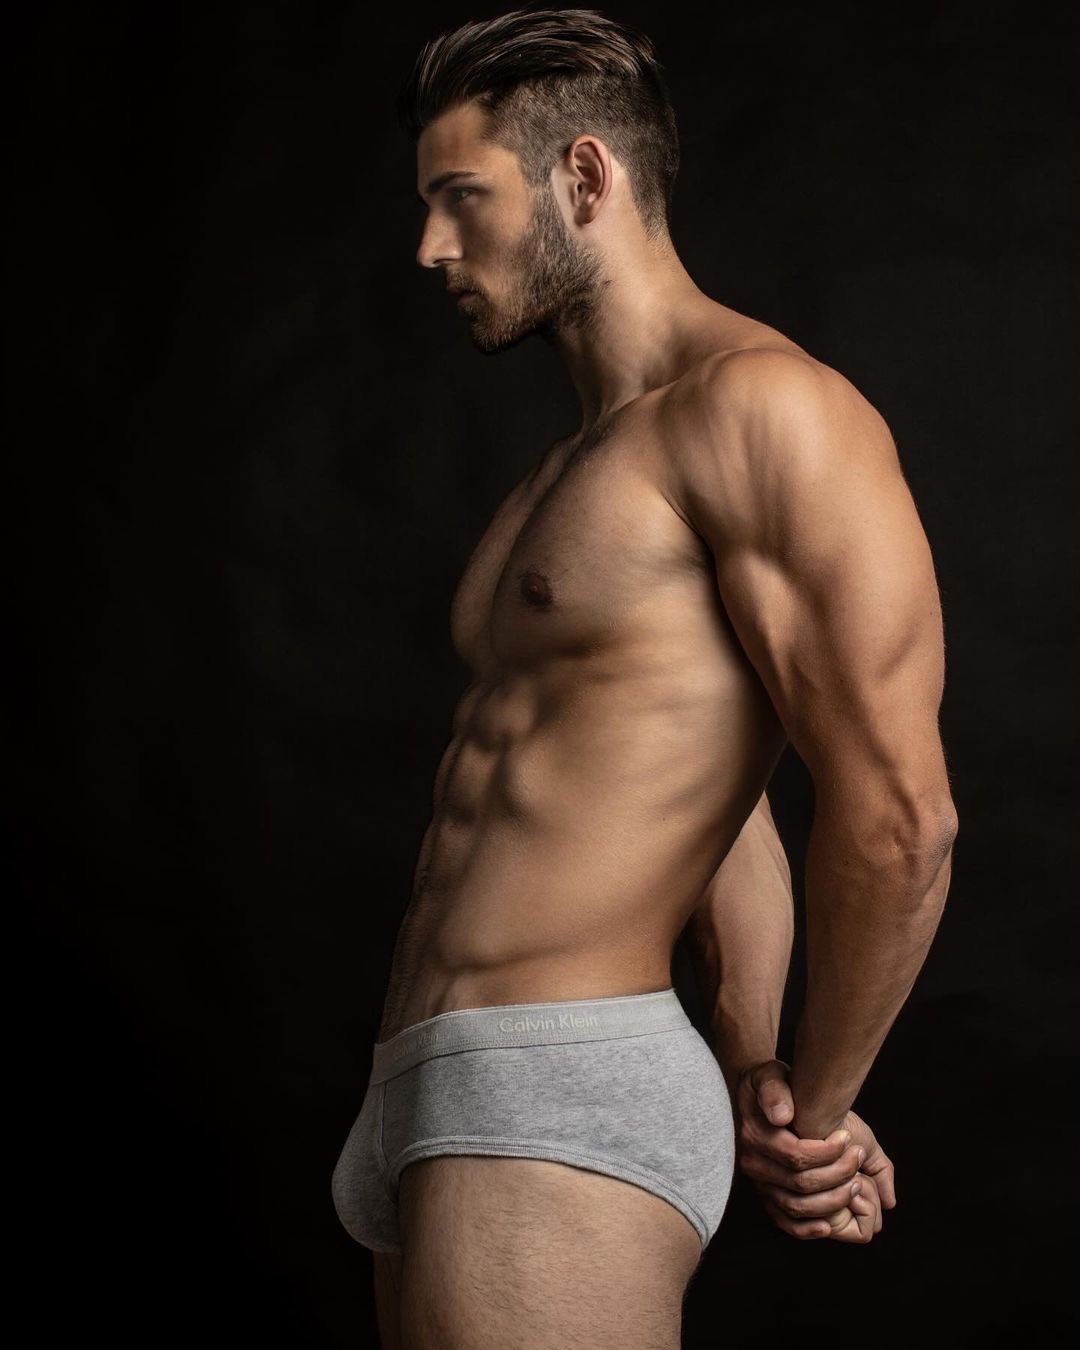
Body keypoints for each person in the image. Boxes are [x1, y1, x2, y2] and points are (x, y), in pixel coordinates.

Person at [331, 9, 957, 1348]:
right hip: (431, 1077)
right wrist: (747, 1052)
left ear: (586, 176)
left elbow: (901, 817)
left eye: (461, 197)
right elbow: (715, 789)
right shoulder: (574, 465)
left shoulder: (767, 409)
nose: (431, 245)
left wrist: (819, 1110)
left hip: (556, 1079)